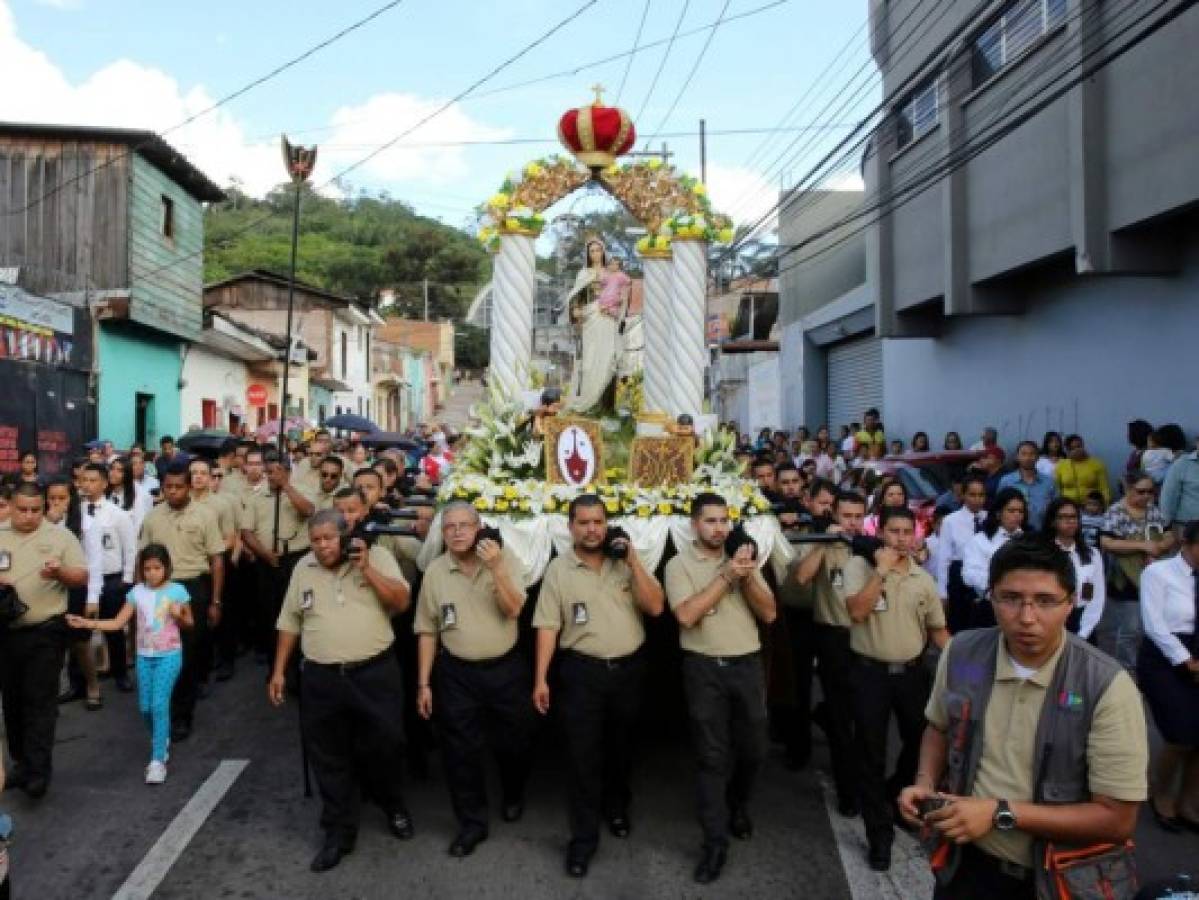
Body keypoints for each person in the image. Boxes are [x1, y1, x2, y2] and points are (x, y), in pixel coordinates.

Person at [899, 539, 1147, 900]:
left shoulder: (1105, 685)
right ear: (991, 597)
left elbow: (1116, 819)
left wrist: (1000, 813)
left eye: (1045, 601)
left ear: (1071, 603)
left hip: (1054, 881)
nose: (1027, 617)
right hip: (964, 866)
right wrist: (925, 781)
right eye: (1011, 598)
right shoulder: (963, 652)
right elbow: (939, 725)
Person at [271, 509, 414, 872]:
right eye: (315, 540)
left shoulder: (376, 556)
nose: (321, 547)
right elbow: (290, 621)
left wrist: (366, 569)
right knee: (329, 756)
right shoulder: (303, 568)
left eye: (328, 539)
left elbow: (400, 602)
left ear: (344, 534)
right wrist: (278, 671)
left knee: (385, 745)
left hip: (374, 674)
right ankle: (339, 829)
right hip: (321, 678)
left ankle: (393, 804)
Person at [531, 495, 664, 877]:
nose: (592, 529)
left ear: (607, 525)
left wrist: (634, 560)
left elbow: (656, 608)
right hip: (580, 674)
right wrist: (540, 678)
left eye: (598, 522)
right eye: (584, 522)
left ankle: (617, 808)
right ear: (570, 527)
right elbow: (548, 626)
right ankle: (583, 840)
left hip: (628, 672)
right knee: (582, 757)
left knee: (621, 749)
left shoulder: (626, 563)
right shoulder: (559, 570)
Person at [663, 492, 777, 884]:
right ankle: (714, 845)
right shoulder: (679, 565)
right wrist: (727, 576)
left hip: (746, 664)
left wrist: (746, 576)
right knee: (712, 756)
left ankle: (738, 804)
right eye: (710, 521)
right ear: (695, 524)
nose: (719, 528)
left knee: (755, 748)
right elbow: (687, 615)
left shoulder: (744, 558)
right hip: (703, 667)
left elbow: (769, 613)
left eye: (724, 520)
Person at [414, 502, 534, 858]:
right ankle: (471, 823)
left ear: (480, 528)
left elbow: (513, 609)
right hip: (456, 674)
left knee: (514, 742)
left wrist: (496, 568)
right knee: (460, 752)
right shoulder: (436, 572)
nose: (457, 532)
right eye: (449, 527)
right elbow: (426, 630)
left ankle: (513, 791)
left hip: (505, 669)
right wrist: (423, 683)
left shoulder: (503, 559)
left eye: (465, 525)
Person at [843, 506, 949, 871]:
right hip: (869, 674)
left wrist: (967, 669)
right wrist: (882, 571)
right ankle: (879, 834)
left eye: (908, 531)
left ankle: (895, 795)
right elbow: (857, 612)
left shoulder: (923, 579)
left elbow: (938, 632)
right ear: (881, 532)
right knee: (870, 752)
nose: (901, 539)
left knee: (920, 746)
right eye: (894, 531)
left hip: (912, 675)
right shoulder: (858, 567)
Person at [68, 544, 193, 784]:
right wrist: (86, 623)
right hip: (144, 656)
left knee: (159, 704)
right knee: (145, 707)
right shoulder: (136, 593)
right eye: (147, 569)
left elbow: (190, 623)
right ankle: (160, 736)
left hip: (169, 655)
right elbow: (117, 623)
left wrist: (180, 615)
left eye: (157, 568)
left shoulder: (178, 591)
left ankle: (157, 760)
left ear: (166, 567)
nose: (152, 573)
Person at [0, 482, 89, 798]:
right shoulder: (1, 534)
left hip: (45, 632)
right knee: (11, 703)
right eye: (22, 509)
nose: (28, 516)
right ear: (10, 505)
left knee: (39, 701)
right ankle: (21, 763)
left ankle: (38, 771)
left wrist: (60, 573)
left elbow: (81, 576)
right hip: (6, 633)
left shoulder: (60, 537)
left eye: (35, 510)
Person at [793, 489, 868, 817]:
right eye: (846, 516)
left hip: (865, 641)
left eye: (857, 516)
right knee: (840, 721)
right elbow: (802, 577)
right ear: (834, 516)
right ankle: (848, 792)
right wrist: (825, 543)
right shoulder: (821, 543)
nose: (851, 523)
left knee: (864, 718)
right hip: (832, 638)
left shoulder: (870, 547)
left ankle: (866, 781)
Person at [138, 463, 225, 742]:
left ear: (189, 487)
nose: (173, 492)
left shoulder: (205, 515)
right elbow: (142, 558)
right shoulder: (152, 518)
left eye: (179, 487)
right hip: (159, 589)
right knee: (161, 653)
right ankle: (162, 707)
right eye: (168, 487)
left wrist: (215, 600)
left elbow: (216, 559)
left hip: (192, 588)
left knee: (186, 656)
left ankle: (182, 716)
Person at [1137, 522, 1199, 832]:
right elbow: (1154, 623)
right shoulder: (1158, 573)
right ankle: (1160, 795)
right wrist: (1186, 660)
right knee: (1180, 734)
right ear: (1186, 544)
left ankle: (1189, 804)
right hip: (1165, 659)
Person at [773, 478, 837, 770]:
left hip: (833, 619)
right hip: (799, 616)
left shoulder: (844, 535)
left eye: (832, 505)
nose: (828, 510)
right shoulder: (796, 532)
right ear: (808, 501)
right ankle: (798, 747)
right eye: (823, 503)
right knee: (798, 683)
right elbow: (797, 576)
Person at [239, 452, 315, 666]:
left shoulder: (302, 491)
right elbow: (247, 531)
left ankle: (298, 662)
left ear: (288, 472)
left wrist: (287, 488)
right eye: (269, 472)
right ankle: (275, 661)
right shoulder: (257, 497)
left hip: (296, 559)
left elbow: (309, 510)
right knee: (269, 611)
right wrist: (264, 554)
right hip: (267, 561)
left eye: (277, 472)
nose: (272, 477)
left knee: (297, 610)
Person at [1098, 470, 1175, 674]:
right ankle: (1126, 670)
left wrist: (1159, 547)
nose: (1146, 497)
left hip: (1153, 574)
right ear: (1129, 489)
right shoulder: (1116, 512)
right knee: (1130, 628)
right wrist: (1142, 546)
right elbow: (1107, 542)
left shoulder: (1153, 511)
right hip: (1126, 577)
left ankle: (1143, 667)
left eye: (1150, 492)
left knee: (1150, 625)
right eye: (1141, 492)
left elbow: (1169, 535)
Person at [79, 462, 137, 695]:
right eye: (85, 480)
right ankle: (82, 680)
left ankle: (120, 673)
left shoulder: (118, 514)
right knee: (82, 630)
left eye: (93, 480)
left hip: (112, 579)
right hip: (84, 578)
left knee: (113, 629)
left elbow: (130, 548)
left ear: (104, 484)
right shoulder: (78, 511)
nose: (88, 485)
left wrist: (127, 577)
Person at [962, 489, 1029, 630]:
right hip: (990, 607)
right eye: (1011, 511)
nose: (1016, 515)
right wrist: (1001, 587)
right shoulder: (981, 540)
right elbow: (969, 574)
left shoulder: (1029, 540)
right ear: (999, 513)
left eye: (1020, 511)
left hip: (1024, 606)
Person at [1042, 498, 1105, 641]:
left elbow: (1096, 596)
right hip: (1051, 619)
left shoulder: (1091, 554)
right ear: (1052, 521)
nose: (1070, 521)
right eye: (1063, 517)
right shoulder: (1042, 553)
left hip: (1082, 618)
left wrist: (1084, 632)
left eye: (1074, 517)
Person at [935, 475, 989, 632]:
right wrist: (942, 592)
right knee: (960, 623)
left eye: (981, 495)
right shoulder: (951, 521)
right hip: (959, 574)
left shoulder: (989, 518)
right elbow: (944, 559)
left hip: (983, 572)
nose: (977, 499)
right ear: (963, 495)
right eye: (972, 495)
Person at [997, 441, 1057, 531]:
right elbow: (998, 508)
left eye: (1032, 454)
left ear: (1037, 457)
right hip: (1013, 536)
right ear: (1017, 457)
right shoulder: (1006, 481)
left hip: (1042, 534)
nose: (1028, 458)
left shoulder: (1049, 482)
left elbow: (1057, 509)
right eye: (1023, 454)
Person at [1055, 435, 1111, 505]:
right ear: (1067, 450)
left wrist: (1104, 505)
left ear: (1083, 446)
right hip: (1068, 506)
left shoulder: (1097, 464)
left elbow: (1105, 489)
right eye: (1072, 448)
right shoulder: (1061, 465)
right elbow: (1057, 489)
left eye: (1079, 446)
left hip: (1092, 506)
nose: (1077, 450)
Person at [1161, 438, 1199, 531]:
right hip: (1186, 525)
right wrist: (1165, 524)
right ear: (1197, 443)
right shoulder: (1183, 463)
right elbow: (1169, 495)